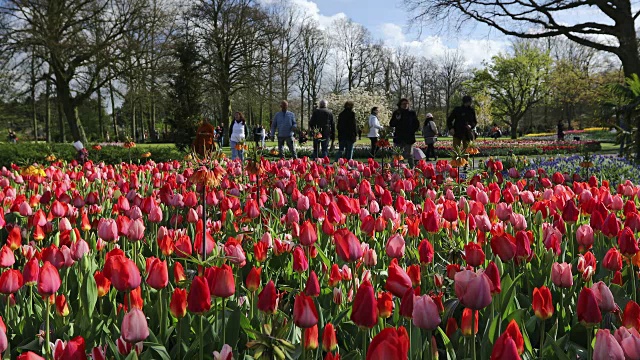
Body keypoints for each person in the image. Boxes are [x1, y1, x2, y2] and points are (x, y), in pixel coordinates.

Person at [389, 98, 420, 167]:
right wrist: (397, 120)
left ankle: (412, 168)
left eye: (407, 104)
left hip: (409, 136)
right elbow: (391, 124)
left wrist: (412, 131)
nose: (405, 105)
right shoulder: (397, 113)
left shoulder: (412, 113)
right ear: (400, 105)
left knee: (409, 154)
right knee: (396, 154)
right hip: (399, 136)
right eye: (404, 104)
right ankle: (394, 167)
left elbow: (416, 124)